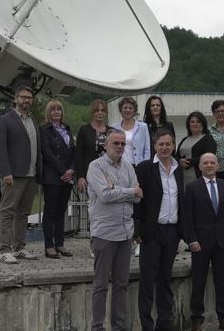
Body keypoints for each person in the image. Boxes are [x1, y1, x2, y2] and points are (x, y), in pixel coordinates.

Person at [87, 129, 143, 331]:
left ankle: (118, 327)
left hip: (125, 233)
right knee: (101, 285)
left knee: (121, 285)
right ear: (106, 145)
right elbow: (104, 195)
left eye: (122, 144)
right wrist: (129, 191)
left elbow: (138, 197)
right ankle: (97, 327)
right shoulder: (95, 166)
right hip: (104, 233)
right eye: (115, 143)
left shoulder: (128, 166)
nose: (120, 147)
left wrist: (116, 189)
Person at [134, 129, 184, 331]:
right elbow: (137, 200)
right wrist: (137, 230)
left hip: (172, 231)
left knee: (165, 278)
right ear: (154, 146)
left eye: (168, 144)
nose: (165, 148)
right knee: (148, 280)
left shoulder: (178, 169)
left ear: (173, 145)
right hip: (151, 232)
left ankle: (164, 322)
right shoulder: (145, 168)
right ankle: (147, 325)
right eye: (161, 144)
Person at [185, 152, 224, 331]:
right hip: (200, 243)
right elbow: (187, 217)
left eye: (212, 162)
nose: (209, 165)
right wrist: (191, 239)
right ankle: (196, 319)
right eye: (205, 162)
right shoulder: (192, 187)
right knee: (198, 282)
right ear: (200, 166)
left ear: (218, 166)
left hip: (222, 241)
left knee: (222, 281)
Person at [0, 85, 41, 264]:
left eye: (29, 97)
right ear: (15, 99)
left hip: (31, 174)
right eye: (23, 97)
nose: (26, 100)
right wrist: (6, 172)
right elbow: (0, 148)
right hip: (14, 175)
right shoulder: (5, 120)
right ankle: (4, 250)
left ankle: (19, 248)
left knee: (23, 213)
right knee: (8, 212)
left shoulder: (33, 120)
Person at [40, 99, 75, 259]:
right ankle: (49, 246)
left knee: (61, 211)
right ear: (48, 113)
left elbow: (73, 152)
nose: (56, 112)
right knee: (50, 212)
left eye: (58, 109)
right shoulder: (44, 130)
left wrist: (72, 170)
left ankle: (60, 243)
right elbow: (48, 153)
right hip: (52, 177)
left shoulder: (67, 129)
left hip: (67, 177)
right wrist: (63, 171)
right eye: (53, 109)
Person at [75, 99, 110, 192]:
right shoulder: (84, 130)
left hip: (108, 176)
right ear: (92, 112)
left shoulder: (111, 131)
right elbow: (78, 155)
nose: (100, 113)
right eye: (97, 110)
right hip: (89, 175)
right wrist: (81, 176)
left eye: (102, 110)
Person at [176, 111, 217, 186]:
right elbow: (176, 156)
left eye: (198, 122)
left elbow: (209, 157)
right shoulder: (184, 139)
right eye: (192, 122)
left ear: (203, 124)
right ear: (189, 125)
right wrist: (179, 161)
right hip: (182, 176)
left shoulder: (208, 139)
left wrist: (189, 162)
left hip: (199, 176)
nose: (195, 124)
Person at [112, 96, 150, 167]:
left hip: (138, 165)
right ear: (121, 110)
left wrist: (145, 166)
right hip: (119, 165)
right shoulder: (114, 127)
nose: (128, 110)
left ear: (134, 111)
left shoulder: (143, 127)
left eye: (130, 108)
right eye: (125, 108)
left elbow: (147, 150)